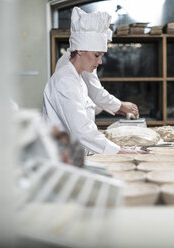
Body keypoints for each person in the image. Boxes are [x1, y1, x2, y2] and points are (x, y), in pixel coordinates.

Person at [43, 7, 145, 155]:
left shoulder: (78, 79)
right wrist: (119, 151)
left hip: (74, 154)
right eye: (97, 55)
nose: (100, 62)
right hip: (61, 158)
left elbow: (86, 113)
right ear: (80, 50)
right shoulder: (64, 81)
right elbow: (81, 130)